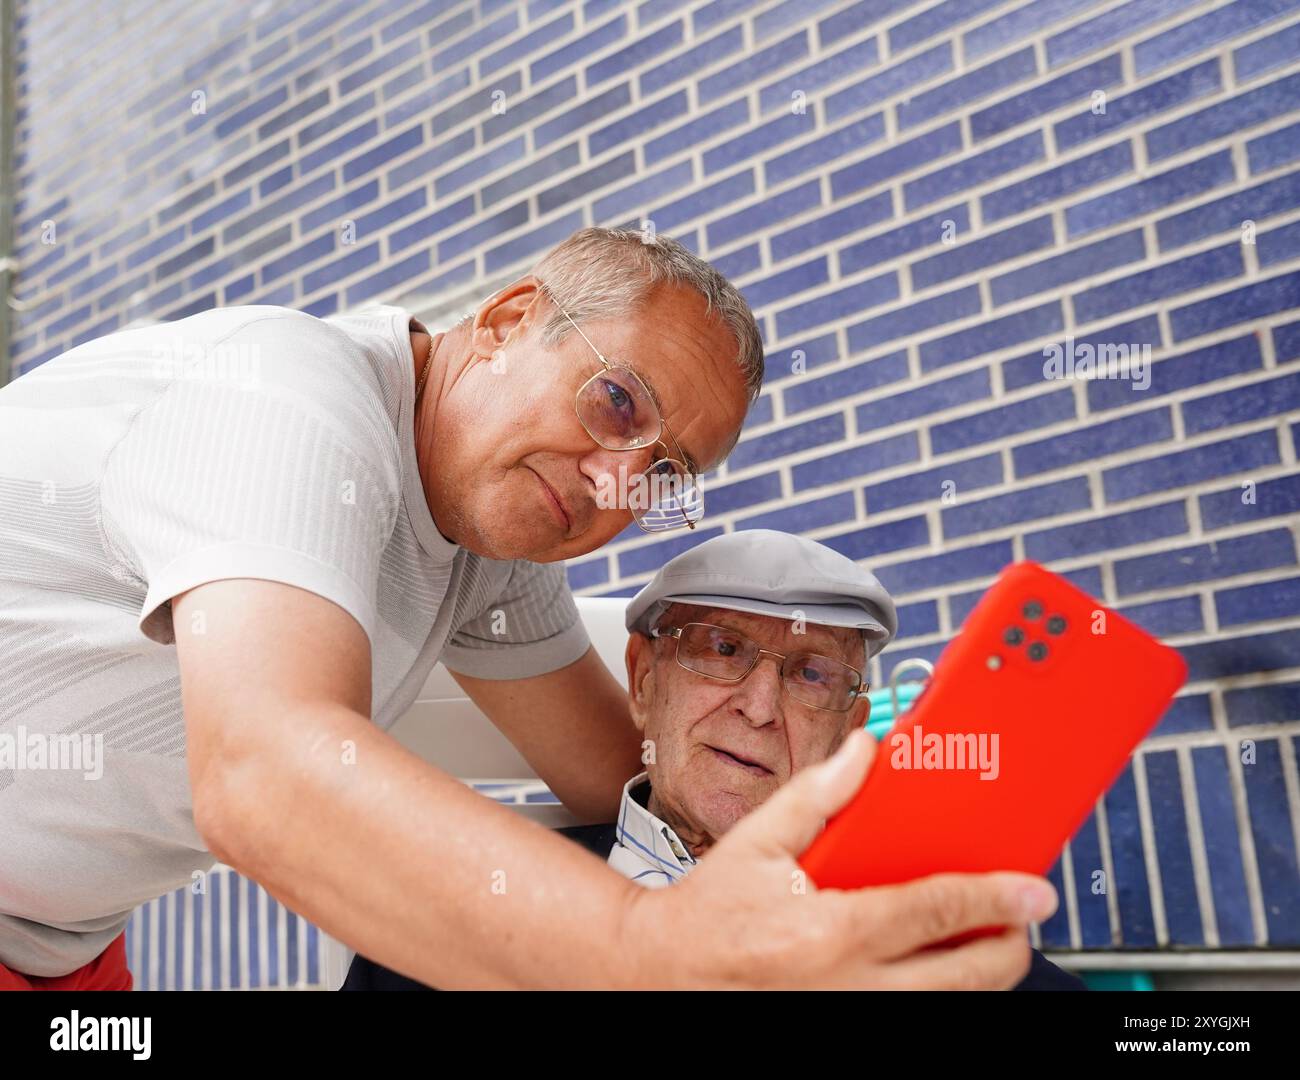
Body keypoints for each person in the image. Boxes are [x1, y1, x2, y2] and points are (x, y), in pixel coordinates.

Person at [0, 225, 1055, 990]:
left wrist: (864, 868)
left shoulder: (488, 547)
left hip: (66, 955)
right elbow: (264, 773)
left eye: (662, 472)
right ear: (507, 320)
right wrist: (655, 953)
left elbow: (634, 777)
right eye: (617, 402)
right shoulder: (284, 404)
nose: (614, 483)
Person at [343, 531, 1082, 990]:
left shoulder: (923, 941)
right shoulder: (458, 918)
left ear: (850, 731)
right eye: (721, 649)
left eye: (811, 674)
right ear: (642, 680)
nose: (759, 705)